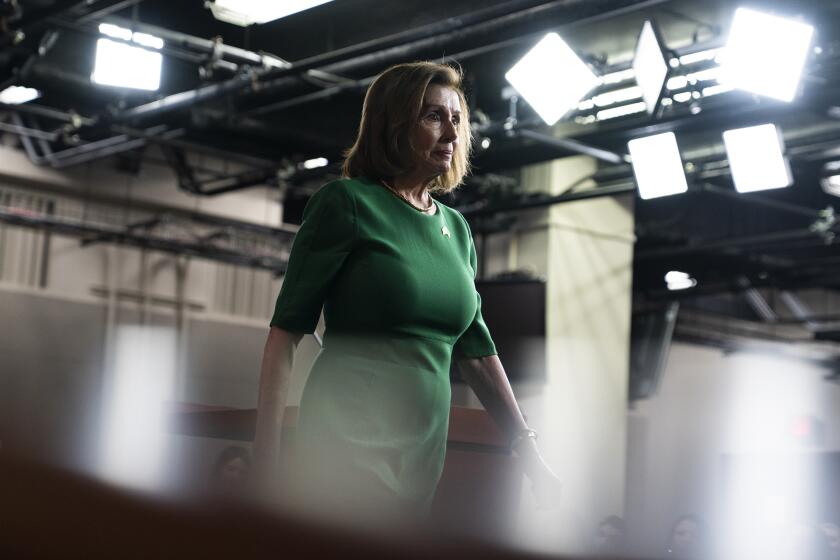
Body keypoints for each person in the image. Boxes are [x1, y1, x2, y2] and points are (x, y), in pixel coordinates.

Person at [253, 61, 559, 525]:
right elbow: (285, 334)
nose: (450, 131)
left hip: (421, 453)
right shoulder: (347, 203)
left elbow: (476, 350)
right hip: (345, 441)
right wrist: (266, 459)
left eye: (456, 119)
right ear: (393, 125)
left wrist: (528, 449)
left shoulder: (455, 229)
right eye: (432, 116)